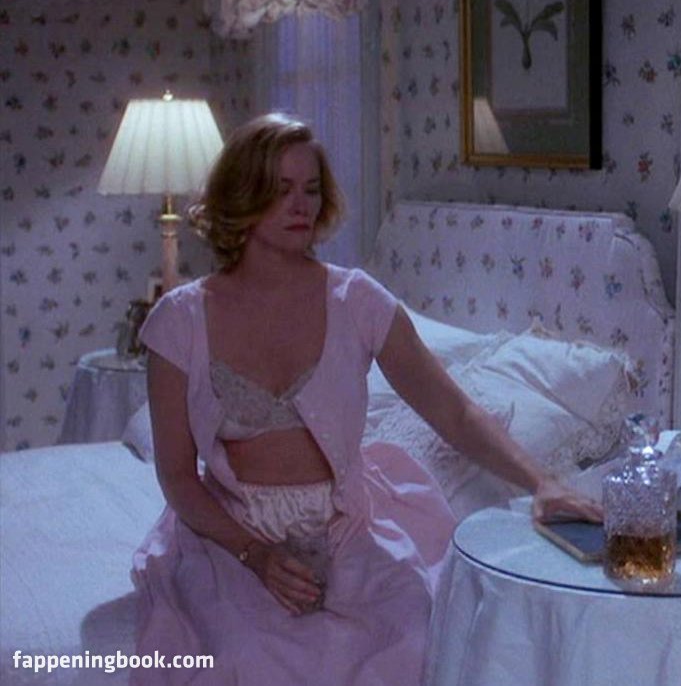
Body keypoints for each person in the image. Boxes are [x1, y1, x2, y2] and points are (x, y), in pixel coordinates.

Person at [130, 113, 601, 685]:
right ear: (242, 195)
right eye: (281, 190)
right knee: (245, 656)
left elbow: (454, 411)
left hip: (344, 522)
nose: (301, 206)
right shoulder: (180, 320)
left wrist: (543, 482)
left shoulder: (356, 301)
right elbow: (178, 477)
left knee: (416, 632)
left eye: (311, 189)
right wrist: (255, 554)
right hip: (231, 532)